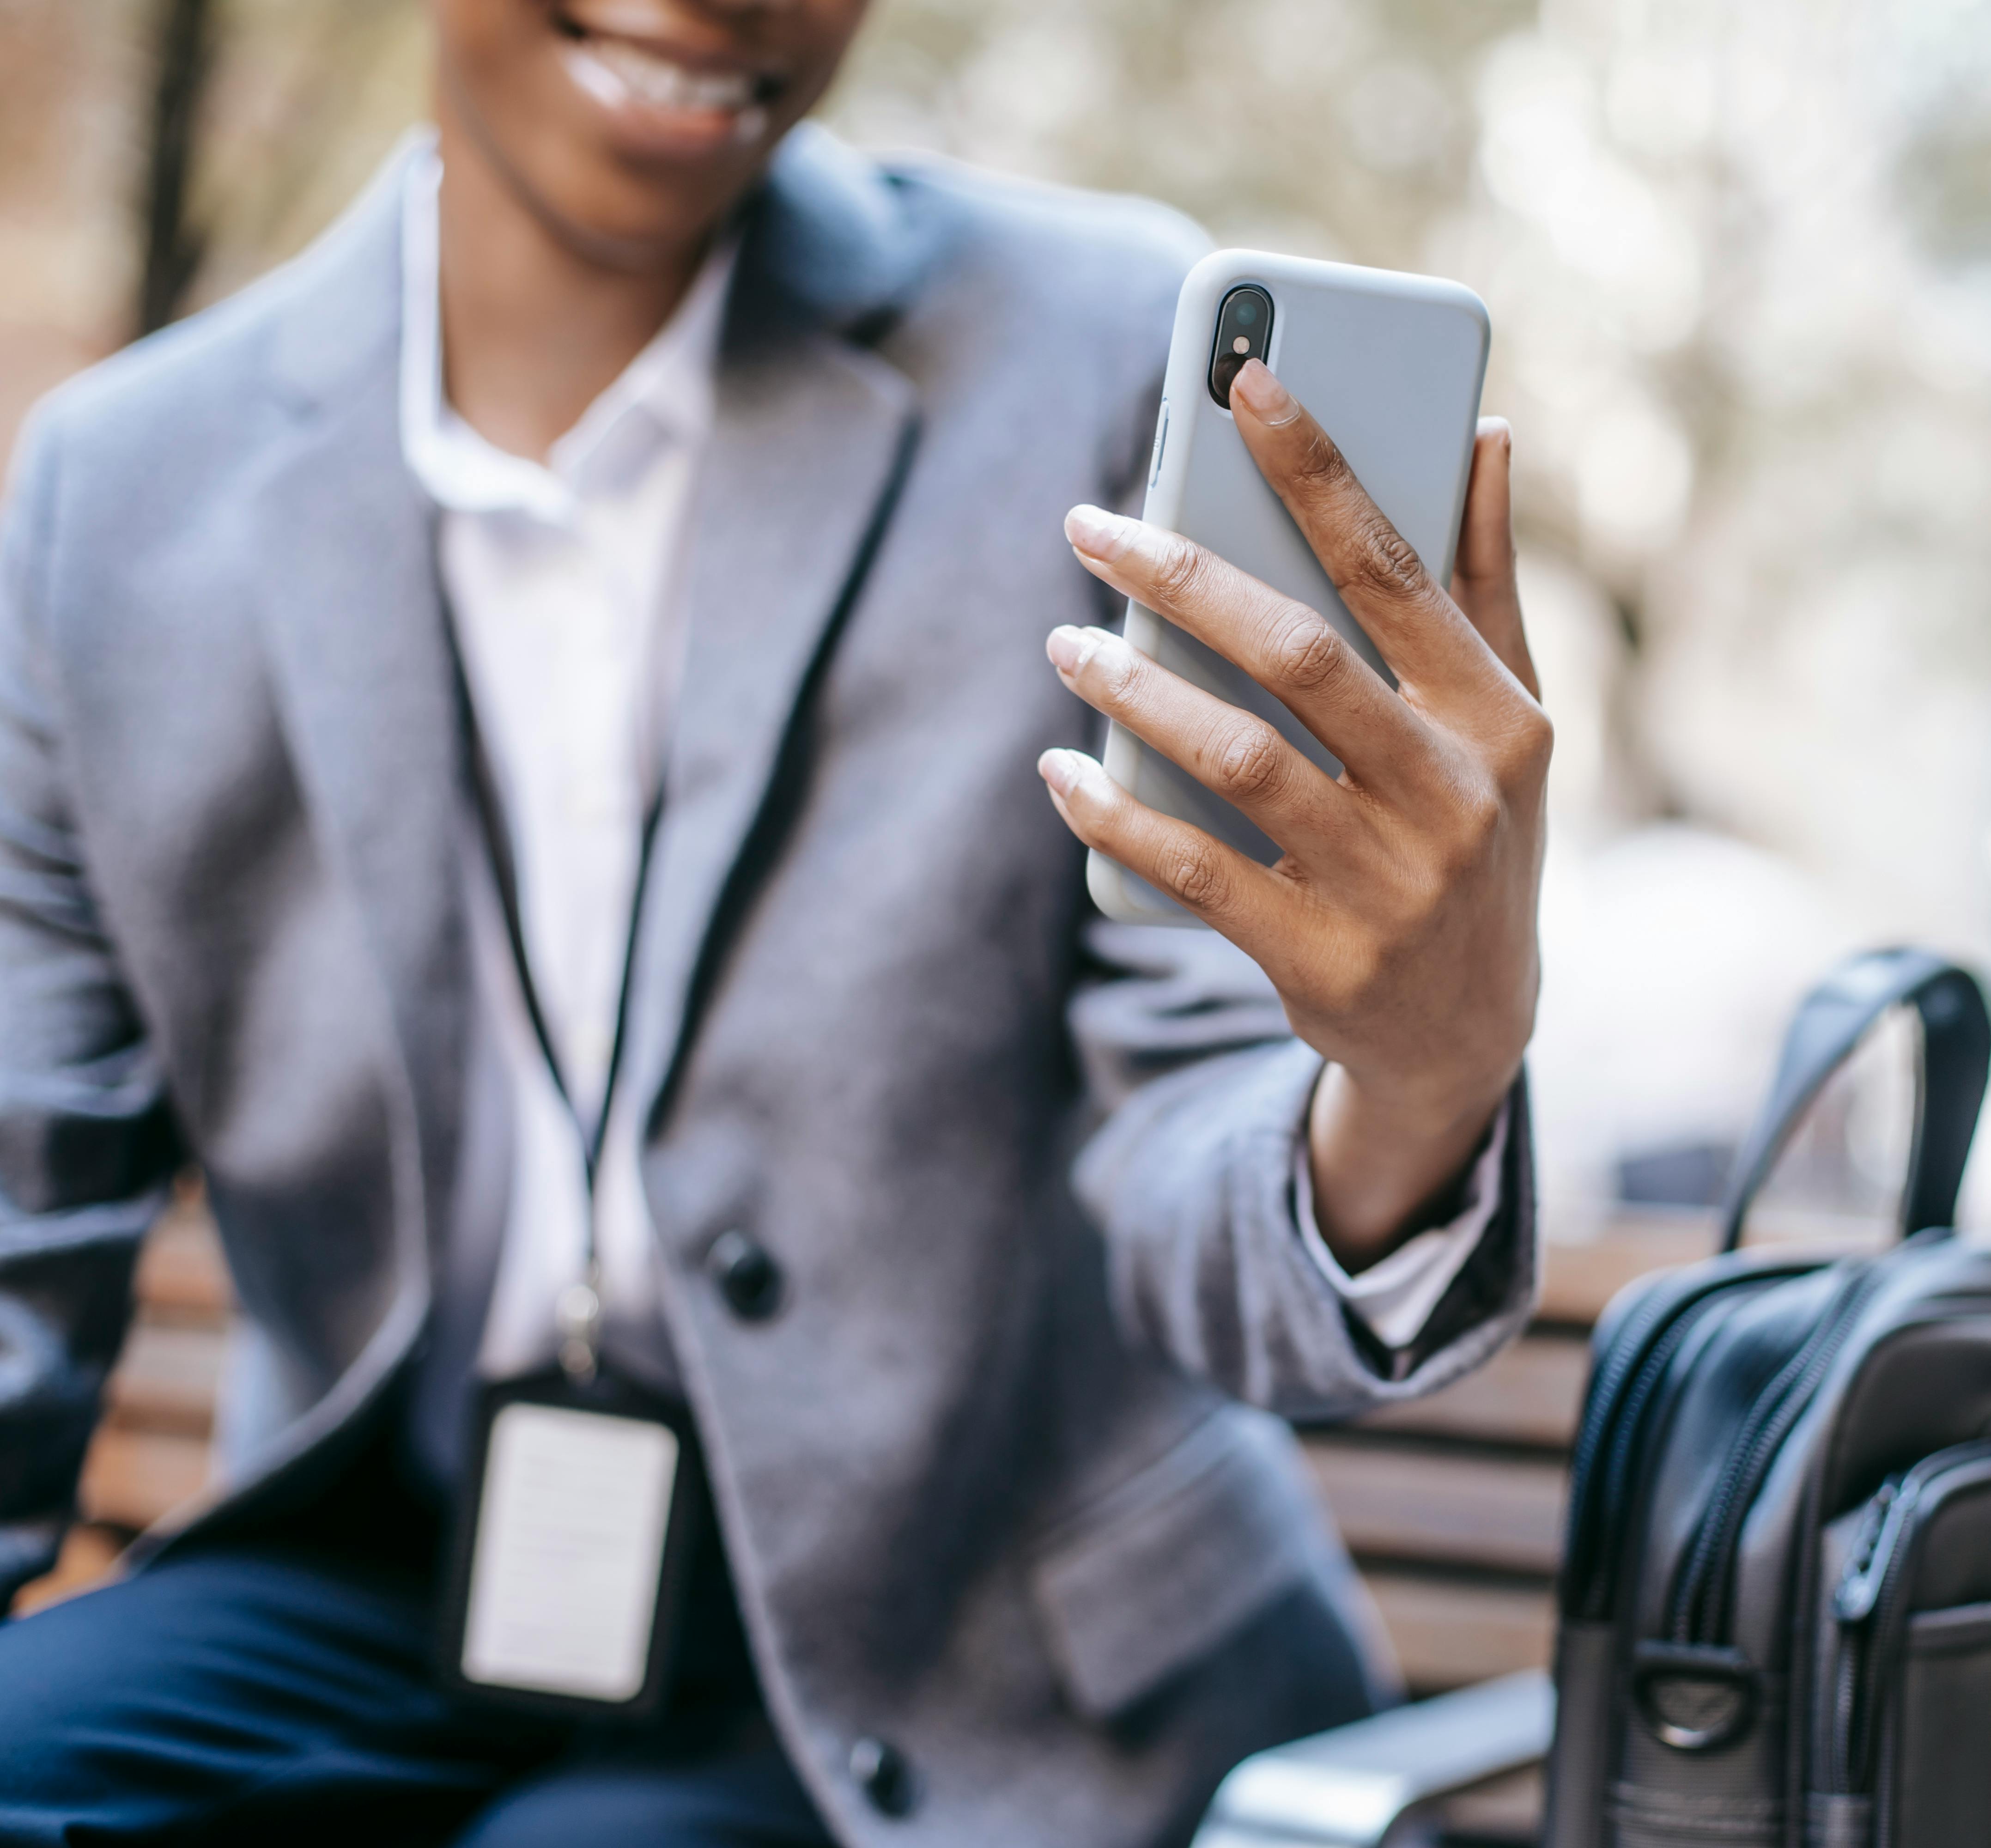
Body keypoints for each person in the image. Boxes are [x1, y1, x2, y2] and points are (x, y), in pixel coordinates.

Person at [0, 0, 1549, 1842]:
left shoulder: (1096, 362)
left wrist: (1420, 1076)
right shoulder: (117, 495)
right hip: (390, 1579)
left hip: (972, 1633)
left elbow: (1201, 1144)